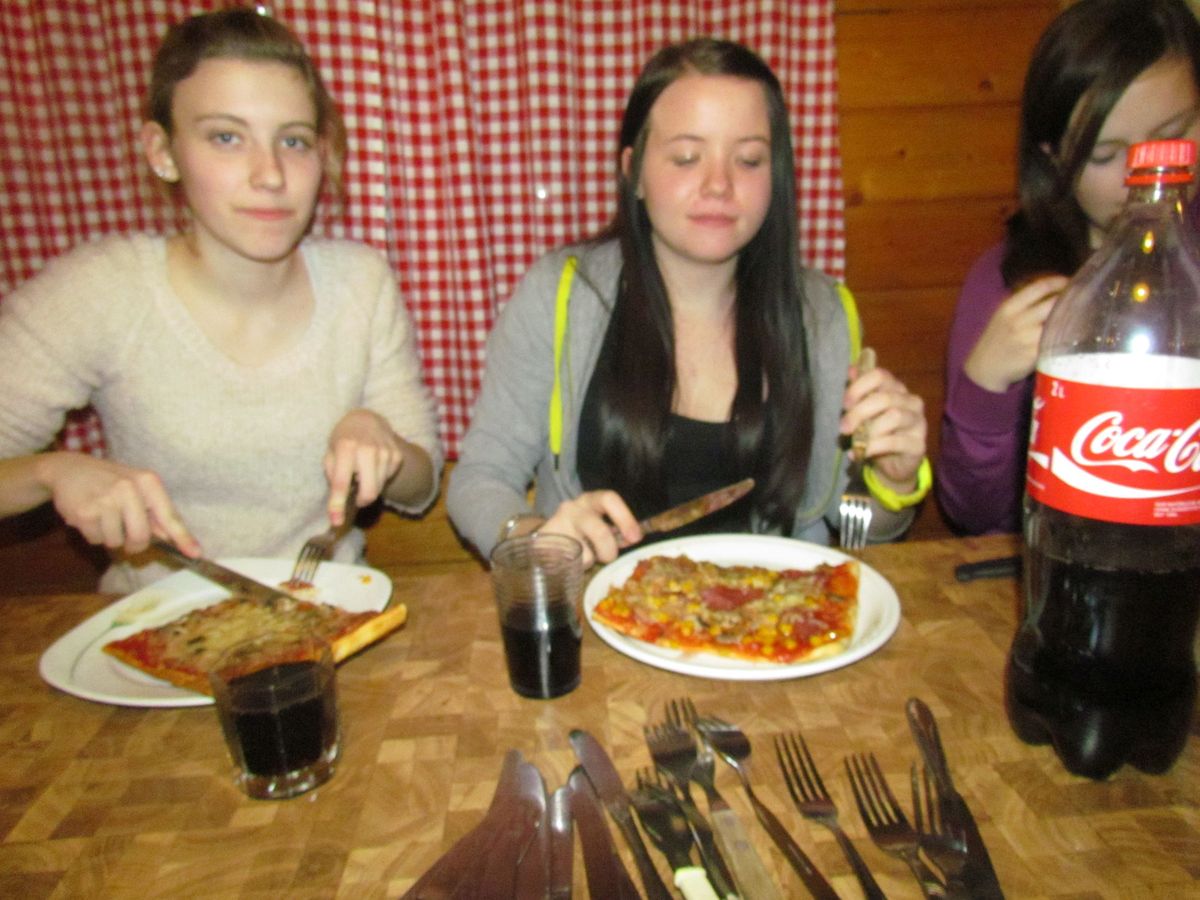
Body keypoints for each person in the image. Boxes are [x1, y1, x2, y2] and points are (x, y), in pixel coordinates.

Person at [0, 7, 442, 590]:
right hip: (156, 621)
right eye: (227, 137)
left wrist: (380, 437)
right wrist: (51, 473)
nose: (270, 175)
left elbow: (421, 487)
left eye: (293, 140)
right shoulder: (100, 290)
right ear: (163, 152)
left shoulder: (362, 282)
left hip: (330, 611)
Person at [448, 37, 930, 566]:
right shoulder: (561, 294)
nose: (719, 184)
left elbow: (857, 526)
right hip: (597, 609)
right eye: (686, 157)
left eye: (748, 160)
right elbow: (480, 479)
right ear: (633, 170)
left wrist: (893, 483)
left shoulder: (823, 316)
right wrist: (534, 538)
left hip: (779, 611)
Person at [938, 0, 1200, 535]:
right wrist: (984, 385)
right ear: (1054, 156)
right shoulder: (1009, 286)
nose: (1144, 175)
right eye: (1105, 155)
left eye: (1174, 135)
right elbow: (976, 517)